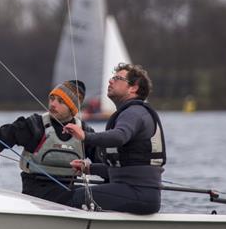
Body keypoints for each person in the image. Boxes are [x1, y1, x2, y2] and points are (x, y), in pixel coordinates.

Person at [0, 80, 98, 206]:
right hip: (35, 197)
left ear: (72, 109)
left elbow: (106, 164)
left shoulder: (85, 132)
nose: (53, 104)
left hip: (70, 199)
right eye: (52, 98)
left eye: (60, 101)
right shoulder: (34, 126)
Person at [64, 63, 166, 214]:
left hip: (138, 192)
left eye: (117, 78)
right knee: (72, 191)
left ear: (133, 87)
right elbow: (122, 168)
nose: (110, 81)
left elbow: (119, 136)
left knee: (74, 197)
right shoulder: (129, 112)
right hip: (133, 190)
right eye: (112, 78)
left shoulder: (134, 112)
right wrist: (89, 168)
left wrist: (85, 136)